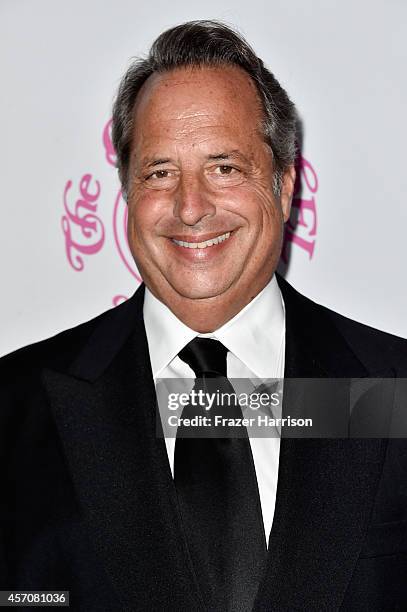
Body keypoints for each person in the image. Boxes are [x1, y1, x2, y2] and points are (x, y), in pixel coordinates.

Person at [1, 20, 406, 611]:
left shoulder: (391, 392)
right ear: (128, 195)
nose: (191, 208)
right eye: (160, 172)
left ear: (285, 187)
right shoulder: (15, 409)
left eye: (225, 168)